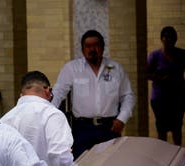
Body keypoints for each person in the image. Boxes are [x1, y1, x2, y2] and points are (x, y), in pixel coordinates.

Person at [51, 29, 136, 159]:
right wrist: (49, 115)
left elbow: (128, 96)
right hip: (82, 129)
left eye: (96, 45)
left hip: (110, 128)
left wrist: (122, 119)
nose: (92, 49)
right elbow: (58, 93)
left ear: (102, 47)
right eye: (88, 46)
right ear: (82, 49)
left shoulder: (116, 68)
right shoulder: (72, 69)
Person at [147, 25, 185, 146]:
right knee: (161, 129)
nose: (169, 40)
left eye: (172, 37)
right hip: (160, 98)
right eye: (166, 37)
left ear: (175, 39)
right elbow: (145, 73)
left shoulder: (183, 54)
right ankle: (163, 157)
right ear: (162, 39)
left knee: (177, 128)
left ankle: (177, 155)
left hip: (178, 97)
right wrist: (159, 79)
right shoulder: (154, 55)